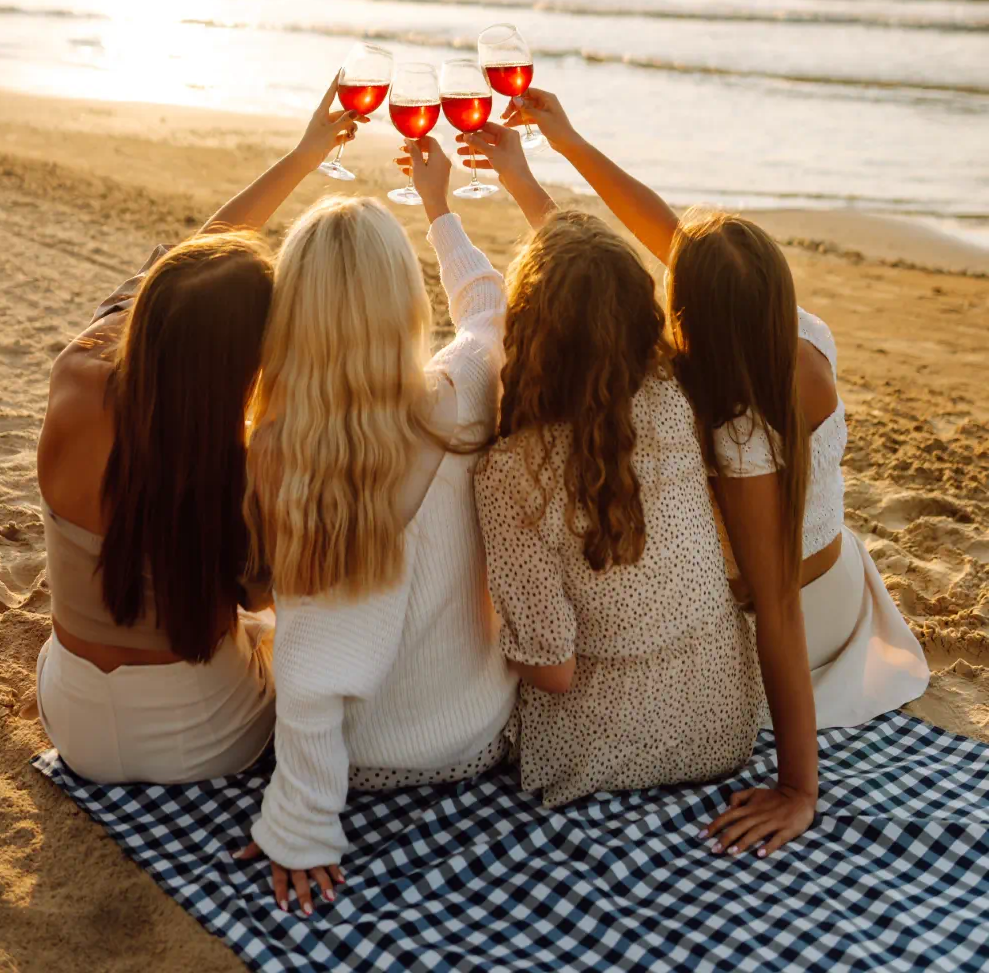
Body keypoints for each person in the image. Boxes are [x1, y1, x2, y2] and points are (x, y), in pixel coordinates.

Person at [462, 90, 928, 855]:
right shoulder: (793, 333)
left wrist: (798, 789)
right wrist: (552, 156)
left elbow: (776, 607)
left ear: (689, 316)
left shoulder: (736, 426)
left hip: (804, 628)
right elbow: (652, 249)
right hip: (846, 575)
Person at [33, 79, 367, 785]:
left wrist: (303, 155)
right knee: (279, 634)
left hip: (72, 719)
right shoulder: (236, 466)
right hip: (196, 735)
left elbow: (191, 262)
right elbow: (263, 596)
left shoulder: (74, 373)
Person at [236, 137, 519, 916]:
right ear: (406, 305)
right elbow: (491, 307)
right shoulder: (462, 394)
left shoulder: (276, 447)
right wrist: (438, 205)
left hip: (357, 760)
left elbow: (310, 656)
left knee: (270, 627)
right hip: (474, 739)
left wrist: (302, 824)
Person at [470, 199, 765, 818]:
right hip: (725, 722)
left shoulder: (512, 471)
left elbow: (552, 672)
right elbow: (594, 284)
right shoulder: (675, 399)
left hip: (596, 750)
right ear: (639, 317)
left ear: (529, 334)